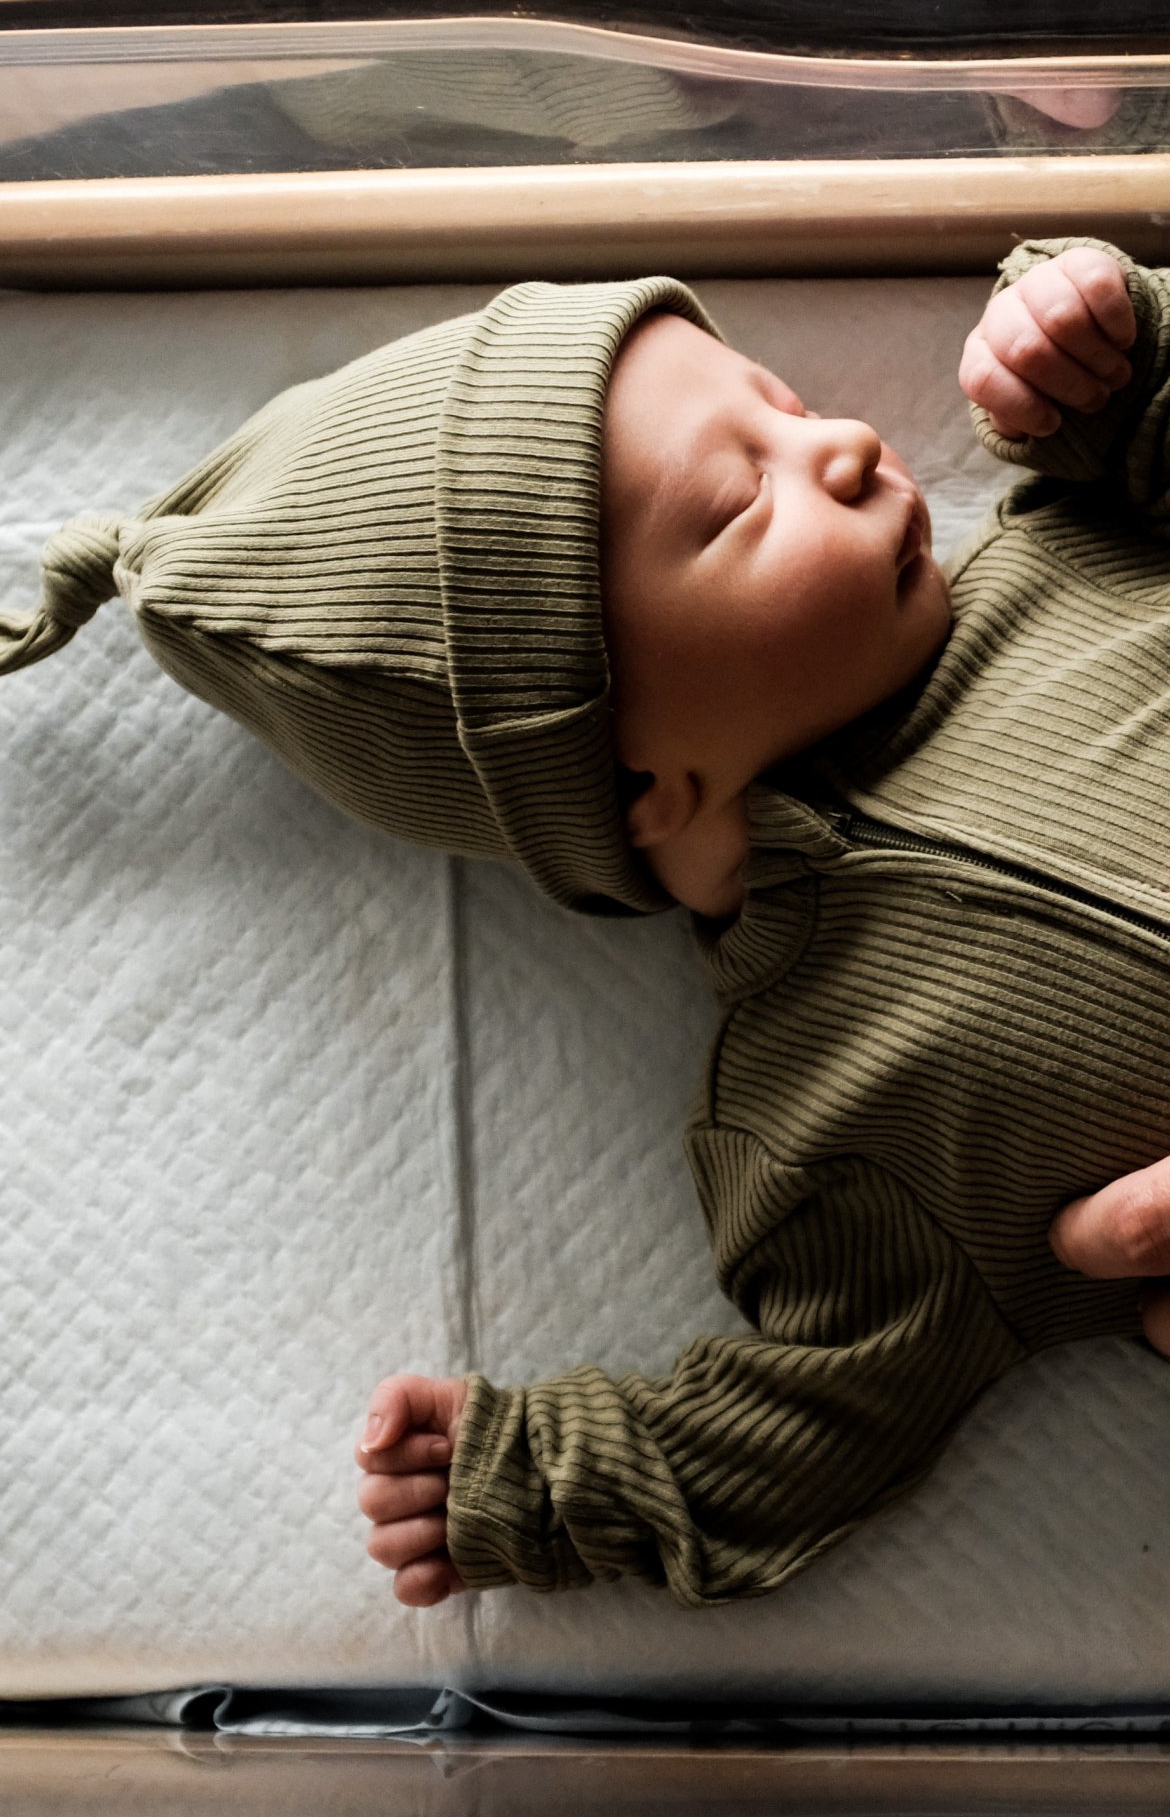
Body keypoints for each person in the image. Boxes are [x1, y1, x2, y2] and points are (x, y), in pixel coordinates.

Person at [3, 239, 1168, 1608]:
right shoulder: (816, 1127)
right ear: (634, 786)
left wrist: (1107, 354)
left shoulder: (1077, 545)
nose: (849, 446)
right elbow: (814, 1413)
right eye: (744, 499)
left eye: (789, 407)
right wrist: (542, 1478)